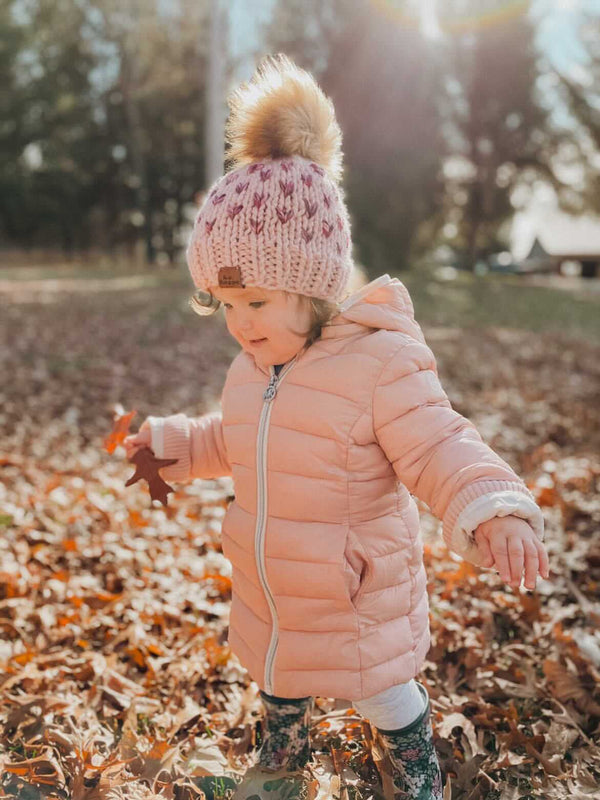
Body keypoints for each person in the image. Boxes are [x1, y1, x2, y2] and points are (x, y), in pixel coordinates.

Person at [123, 54, 549, 799]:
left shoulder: (380, 364)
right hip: (276, 589)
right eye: (224, 305)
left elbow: (439, 442)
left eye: (255, 302)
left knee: (382, 693)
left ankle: (417, 772)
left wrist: (493, 503)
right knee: (279, 680)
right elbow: (240, 441)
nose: (238, 323)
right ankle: (281, 766)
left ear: (314, 286)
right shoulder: (253, 367)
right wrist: (176, 444)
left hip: (356, 601)